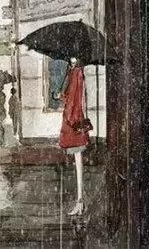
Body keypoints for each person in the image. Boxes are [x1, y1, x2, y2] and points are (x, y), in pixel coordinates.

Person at [55, 57, 89, 216]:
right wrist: (61, 96)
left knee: (78, 160)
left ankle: (80, 201)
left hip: (73, 122)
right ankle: (80, 201)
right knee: (78, 161)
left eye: (74, 57)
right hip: (75, 119)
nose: (71, 59)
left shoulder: (76, 73)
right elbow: (73, 98)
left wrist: (69, 119)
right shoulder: (74, 72)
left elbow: (75, 100)